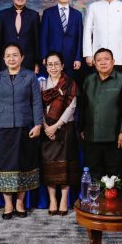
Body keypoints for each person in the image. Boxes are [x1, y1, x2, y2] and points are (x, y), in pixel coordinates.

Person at [0, 43, 43, 220]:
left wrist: (38, 124)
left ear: (22, 57)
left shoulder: (30, 76)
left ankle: (20, 202)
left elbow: (36, 101)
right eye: (8, 55)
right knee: (5, 165)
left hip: (25, 127)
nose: (12, 58)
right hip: (2, 128)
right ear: (3, 59)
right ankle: (8, 204)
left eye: (15, 55)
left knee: (23, 164)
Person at [79, 48, 122, 182]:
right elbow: (83, 106)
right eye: (99, 60)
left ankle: (114, 197)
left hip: (114, 138)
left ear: (113, 61)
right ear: (94, 63)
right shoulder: (88, 80)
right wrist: (82, 128)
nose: (103, 62)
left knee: (114, 176)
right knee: (94, 174)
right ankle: (96, 196)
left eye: (106, 59)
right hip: (92, 137)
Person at [40, 51, 80, 216]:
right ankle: (52, 200)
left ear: (62, 66)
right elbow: (37, 106)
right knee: (49, 166)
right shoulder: (41, 84)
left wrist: (56, 126)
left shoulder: (70, 83)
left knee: (65, 166)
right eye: (50, 64)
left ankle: (63, 199)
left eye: (56, 64)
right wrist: (45, 126)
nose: (53, 67)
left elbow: (72, 107)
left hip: (64, 128)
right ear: (46, 66)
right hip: (46, 129)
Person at [40, 0, 83, 79]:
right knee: (52, 85)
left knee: (69, 85)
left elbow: (79, 38)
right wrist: (44, 56)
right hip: (52, 58)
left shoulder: (77, 15)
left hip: (71, 59)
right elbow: (43, 37)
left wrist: (78, 58)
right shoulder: (48, 13)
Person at [0, 0, 40, 73]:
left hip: (28, 61)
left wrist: (37, 62)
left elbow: (37, 40)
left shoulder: (34, 15)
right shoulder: (3, 14)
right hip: (7, 61)